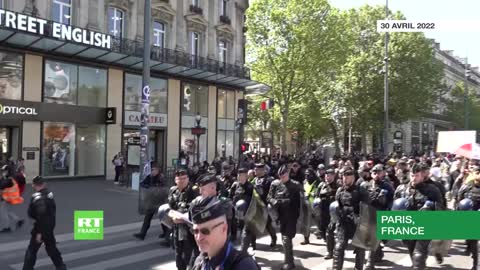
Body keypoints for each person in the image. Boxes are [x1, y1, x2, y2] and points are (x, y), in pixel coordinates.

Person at [190, 199, 260, 270]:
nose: (199, 237)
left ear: (223, 229)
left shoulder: (244, 265)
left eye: (205, 231)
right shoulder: (199, 262)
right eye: (195, 231)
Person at [403, 164, 444, 270]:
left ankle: (418, 265)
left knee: (419, 253)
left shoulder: (432, 190)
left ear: (422, 176)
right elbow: (394, 206)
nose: (413, 178)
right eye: (412, 175)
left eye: (416, 176)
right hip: (408, 225)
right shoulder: (402, 189)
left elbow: (440, 208)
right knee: (412, 251)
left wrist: (430, 209)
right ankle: (419, 265)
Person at [22, 176, 66, 270]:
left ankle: (27, 268)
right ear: (43, 184)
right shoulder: (48, 194)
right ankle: (60, 266)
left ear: (33, 185)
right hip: (49, 227)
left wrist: (39, 233)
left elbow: (41, 216)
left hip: (41, 229)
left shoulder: (38, 198)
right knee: (51, 248)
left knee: (32, 250)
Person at [332, 167, 369, 270]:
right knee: (338, 248)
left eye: (348, 176)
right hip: (343, 224)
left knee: (360, 250)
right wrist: (335, 218)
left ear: (353, 177)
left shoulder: (361, 190)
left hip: (357, 225)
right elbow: (337, 206)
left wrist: (359, 218)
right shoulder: (340, 190)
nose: (345, 179)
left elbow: (366, 208)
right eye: (344, 176)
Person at [267, 165, 303, 270]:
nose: (283, 177)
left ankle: (288, 263)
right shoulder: (275, 184)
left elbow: (303, 201)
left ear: (288, 174)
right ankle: (290, 260)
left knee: (287, 239)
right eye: (281, 175)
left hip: (291, 215)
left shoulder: (295, 185)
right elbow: (269, 197)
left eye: (285, 174)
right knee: (284, 239)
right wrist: (274, 202)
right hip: (280, 215)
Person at [167, 168, 198, 270]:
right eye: (179, 179)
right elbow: (170, 207)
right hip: (177, 227)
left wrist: (182, 218)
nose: (182, 181)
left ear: (188, 179)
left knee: (188, 253)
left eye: (184, 178)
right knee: (178, 253)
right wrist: (173, 216)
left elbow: (194, 209)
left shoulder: (193, 191)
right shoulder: (173, 191)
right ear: (175, 180)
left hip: (189, 228)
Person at [365, 164, 395, 269]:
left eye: (378, 172)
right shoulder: (366, 185)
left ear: (383, 173)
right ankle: (376, 256)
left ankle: (370, 262)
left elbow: (393, 201)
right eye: (374, 172)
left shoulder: (387, 186)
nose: (376, 174)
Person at [133, 163, 167, 241]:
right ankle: (142, 233)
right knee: (147, 217)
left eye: (155, 170)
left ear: (158, 170)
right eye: (152, 170)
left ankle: (167, 234)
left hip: (160, 200)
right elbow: (142, 183)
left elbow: (163, 188)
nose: (153, 171)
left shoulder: (161, 178)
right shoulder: (150, 177)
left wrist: (155, 188)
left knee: (162, 218)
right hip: (152, 200)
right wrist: (148, 187)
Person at [458, 166, 480, 270]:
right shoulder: (466, 187)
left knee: (475, 243)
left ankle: (476, 264)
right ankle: (469, 247)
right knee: (470, 240)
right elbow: (459, 200)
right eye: (478, 172)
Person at [315, 167, 339, 259]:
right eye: (326, 175)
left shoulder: (337, 185)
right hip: (323, 212)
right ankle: (331, 245)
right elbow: (317, 196)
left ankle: (330, 251)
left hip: (333, 213)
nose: (327, 177)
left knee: (330, 232)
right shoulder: (321, 185)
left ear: (333, 176)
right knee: (323, 232)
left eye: (329, 175)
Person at [229, 167, 255, 252]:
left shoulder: (250, 187)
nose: (239, 177)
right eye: (238, 175)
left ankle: (245, 249)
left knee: (246, 231)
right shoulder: (235, 185)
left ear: (245, 176)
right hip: (236, 211)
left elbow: (253, 200)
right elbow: (230, 196)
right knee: (236, 228)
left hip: (246, 212)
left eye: (241, 175)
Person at [252, 163, 277, 248]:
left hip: (264, 205)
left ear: (262, 170)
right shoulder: (254, 179)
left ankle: (274, 238)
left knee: (267, 224)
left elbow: (273, 193)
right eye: (255, 169)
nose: (255, 171)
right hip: (255, 206)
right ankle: (253, 243)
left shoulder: (269, 180)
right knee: (252, 224)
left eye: (257, 169)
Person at [0, 164, 24, 232]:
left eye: (5, 171)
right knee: (8, 212)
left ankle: (7, 227)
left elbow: (2, 186)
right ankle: (18, 220)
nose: (3, 172)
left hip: (6, 199)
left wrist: (1, 179)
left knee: (3, 213)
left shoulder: (9, 180)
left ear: (8, 171)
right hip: (9, 198)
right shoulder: (10, 178)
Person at [302, 168, 320, 245]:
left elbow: (318, 192)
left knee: (318, 221)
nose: (307, 176)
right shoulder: (304, 182)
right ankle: (306, 239)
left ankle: (321, 233)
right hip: (306, 204)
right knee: (306, 222)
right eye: (305, 174)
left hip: (315, 205)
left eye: (308, 174)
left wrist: (310, 194)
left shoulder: (317, 182)